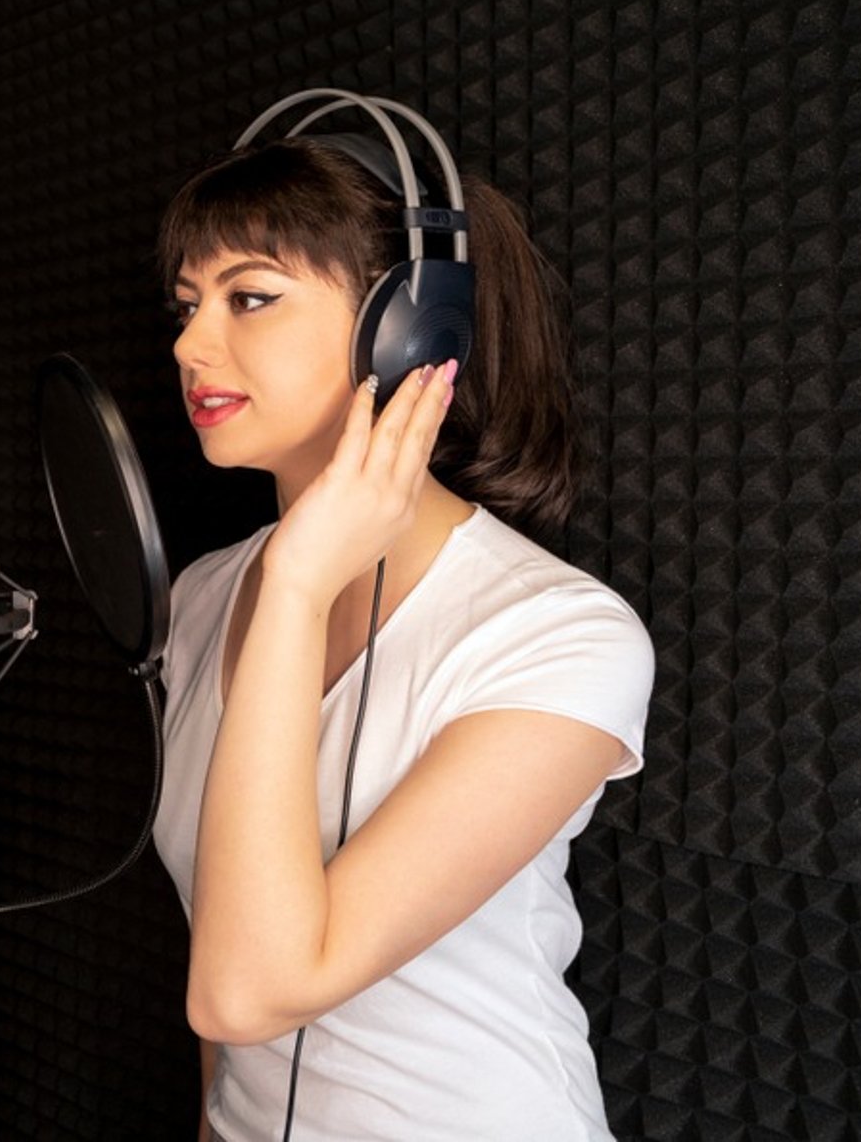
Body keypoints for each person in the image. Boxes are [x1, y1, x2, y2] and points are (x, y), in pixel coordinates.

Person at [149, 117, 654, 1141]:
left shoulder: (560, 635)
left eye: (250, 297)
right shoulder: (201, 597)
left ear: (409, 328)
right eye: (189, 304)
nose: (191, 344)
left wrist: (294, 585)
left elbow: (252, 990)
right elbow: (226, 938)